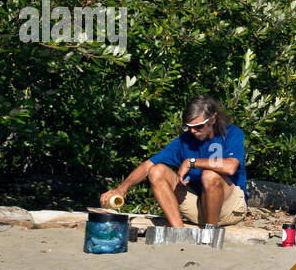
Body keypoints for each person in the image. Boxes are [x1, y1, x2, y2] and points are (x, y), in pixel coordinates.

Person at [101, 95, 249, 228]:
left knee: (209, 175)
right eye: (189, 127)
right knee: (156, 171)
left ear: (213, 120)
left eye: (198, 126)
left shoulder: (231, 133)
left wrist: (191, 162)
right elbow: (148, 165)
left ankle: (210, 234)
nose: (192, 131)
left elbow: (230, 167)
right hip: (199, 208)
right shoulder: (185, 140)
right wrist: (122, 189)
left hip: (230, 207)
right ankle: (179, 232)